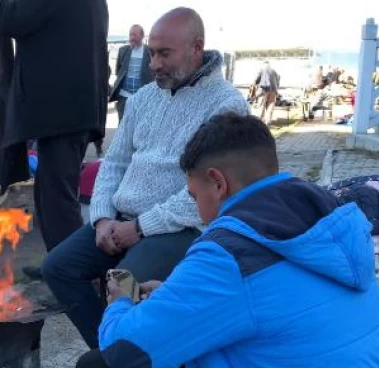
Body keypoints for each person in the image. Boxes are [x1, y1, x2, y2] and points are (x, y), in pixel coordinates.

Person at [72, 113, 379, 368]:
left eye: (193, 195)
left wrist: (120, 304)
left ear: (218, 183)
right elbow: (265, 306)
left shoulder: (231, 254)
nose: (198, 209)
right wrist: (172, 302)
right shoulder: (329, 223)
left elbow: (125, 350)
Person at [42, 7, 248, 349]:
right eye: (152, 53)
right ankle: (109, 352)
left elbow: (206, 192)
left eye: (164, 54)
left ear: (196, 48)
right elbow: (114, 163)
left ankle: (136, 354)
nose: (153, 65)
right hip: (122, 221)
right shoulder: (143, 99)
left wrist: (140, 228)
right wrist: (103, 219)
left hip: (180, 228)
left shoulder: (226, 105)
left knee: (124, 285)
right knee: (57, 268)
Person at [0, 0, 109, 270]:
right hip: (72, 109)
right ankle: (59, 263)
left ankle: (72, 274)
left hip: (62, 112)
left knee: (57, 200)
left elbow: (12, 19)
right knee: (51, 195)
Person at [109, 25, 154, 122]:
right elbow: (118, 71)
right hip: (124, 97)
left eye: (134, 34)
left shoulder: (150, 51)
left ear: (142, 36)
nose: (131, 38)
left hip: (142, 98)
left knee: (140, 126)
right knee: (122, 128)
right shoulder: (123, 50)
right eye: (130, 34)